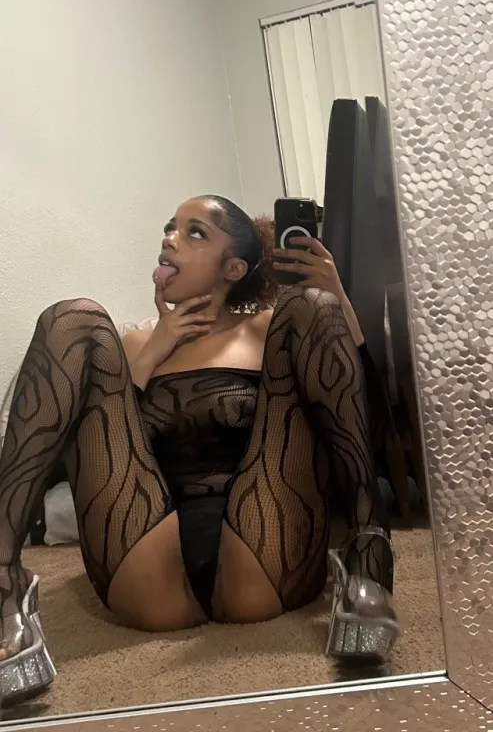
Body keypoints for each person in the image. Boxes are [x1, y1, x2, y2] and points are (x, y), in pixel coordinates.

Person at [0, 194, 399, 704]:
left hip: (263, 544)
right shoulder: (131, 345)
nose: (170, 238)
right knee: (72, 317)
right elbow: (81, 463)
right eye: (170, 227)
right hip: (147, 561)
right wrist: (154, 351)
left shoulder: (275, 328)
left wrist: (336, 297)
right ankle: (4, 582)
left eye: (195, 232)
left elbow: (368, 429)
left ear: (234, 268)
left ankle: (369, 556)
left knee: (312, 304)